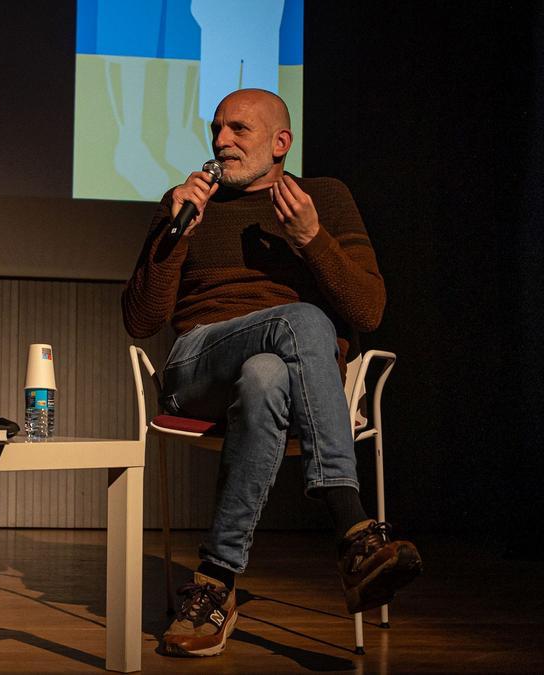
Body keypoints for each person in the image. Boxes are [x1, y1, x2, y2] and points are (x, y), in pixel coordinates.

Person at [121, 88, 422, 657]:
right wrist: (174, 230)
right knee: (302, 321)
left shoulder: (324, 199)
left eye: (238, 130)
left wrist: (312, 239)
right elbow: (140, 321)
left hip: (294, 381)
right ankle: (353, 529)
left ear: (281, 143)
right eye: (215, 129)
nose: (219, 142)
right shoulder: (185, 204)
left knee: (265, 375)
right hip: (198, 367)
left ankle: (214, 584)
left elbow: (368, 312)